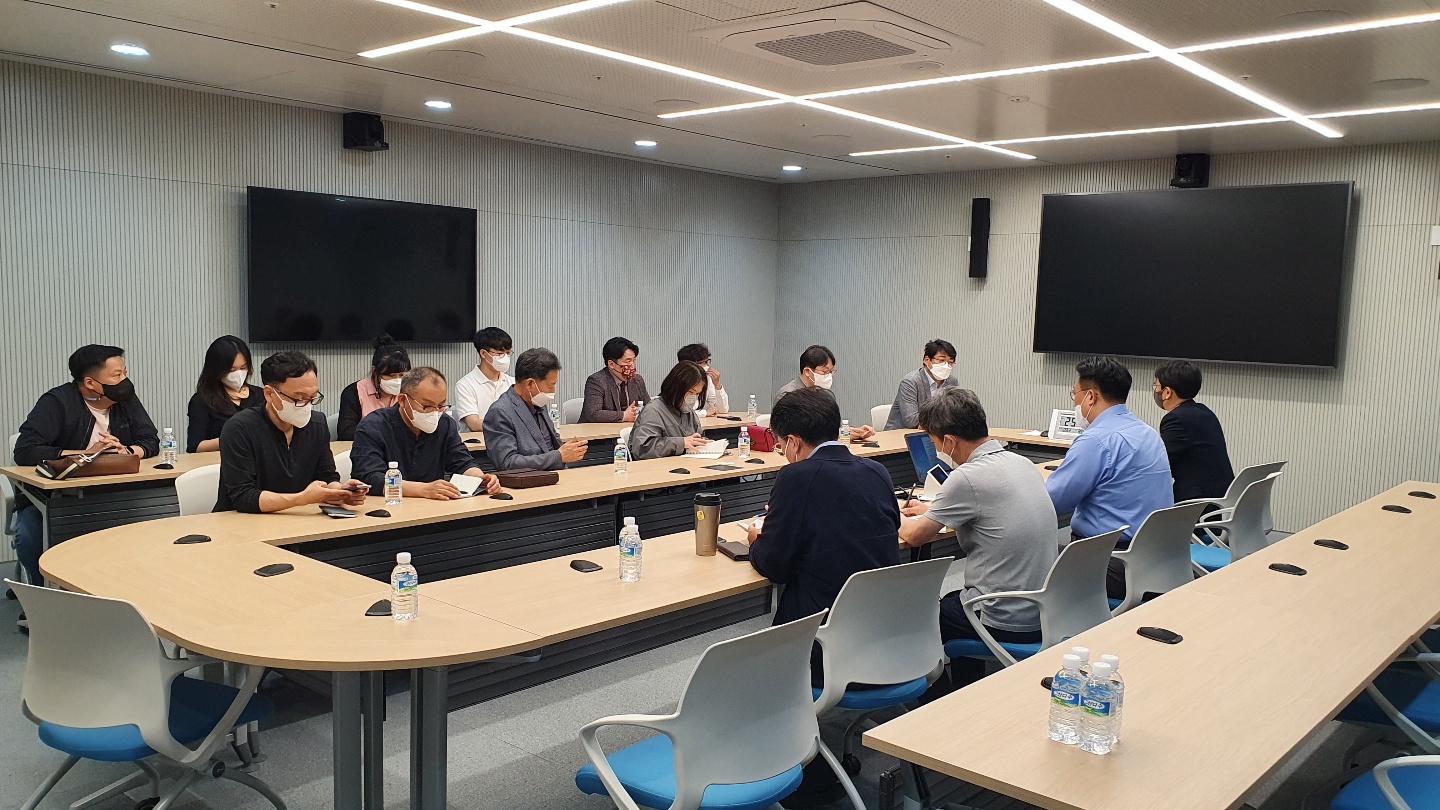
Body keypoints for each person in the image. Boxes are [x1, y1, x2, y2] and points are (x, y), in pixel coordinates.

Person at [746, 387, 899, 809]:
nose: (782, 452)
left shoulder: (797, 478)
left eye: (780, 444)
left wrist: (758, 537)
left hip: (823, 644)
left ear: (793, 442)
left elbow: (775, 565)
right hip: (885, 637)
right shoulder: (876, 471)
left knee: (751, 660)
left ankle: (800, 777)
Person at [898, 389, 1056, 689]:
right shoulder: (1020, 462)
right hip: (1043, 609)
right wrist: (933, 509)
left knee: (919, 617)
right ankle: (968, 686)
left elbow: (914, 536)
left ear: (949, 441)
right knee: (953, 602)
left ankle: (940, 699)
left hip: (1002, 617)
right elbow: (987, 506)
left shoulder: (966, 477)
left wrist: (889, 511)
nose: (936, 450)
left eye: (934, 442)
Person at [13, 345, 159, 586]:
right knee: (29, 534)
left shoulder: (124, 400)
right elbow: (25, 450)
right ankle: (40, 592)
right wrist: (87, 454)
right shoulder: (57, 402)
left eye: (125, 372)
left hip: (116, 492)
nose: (124, 381)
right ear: (90, 383)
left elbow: (150, 440)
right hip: (55, 497)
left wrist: (126, 452)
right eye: (117, 375)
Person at [1045, 356, 1173, 598]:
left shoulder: (1096, 440)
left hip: (1111, 563)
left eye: (1075, 394)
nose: (1075, 402)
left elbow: (1051, 503)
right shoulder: (1148, 433)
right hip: (1157, 559)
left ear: (1091, 397)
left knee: (1021, 557)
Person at [216, 351, 368, 513]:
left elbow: (326, 476)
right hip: (242, 520)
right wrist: (301, 499)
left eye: (312, 397)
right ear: (269, 394)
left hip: (299, 517)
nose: (306, 405)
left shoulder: (317, 424)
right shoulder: (240, 428)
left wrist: (340, 491)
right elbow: (243, 496)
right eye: (299, 398)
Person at [350, 367, 501, 499]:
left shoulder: (445, 423)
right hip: (389, 506)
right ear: (402, 400)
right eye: (427, 406)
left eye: (441, 406)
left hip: (434, 507)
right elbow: (370, 478)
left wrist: (480, 478)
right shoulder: (373, 426)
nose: (434, 413)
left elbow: (462, 462)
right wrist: (424, 489)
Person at [483, 348, 588, 471]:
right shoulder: (500, 412)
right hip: (530, 480)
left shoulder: (537, 402)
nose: (553, 391)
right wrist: (558, 456)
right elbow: (508, 463)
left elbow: (550, 445)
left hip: (557, 474)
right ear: (530, 384)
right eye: (550, 386)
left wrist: (569, 449)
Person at [1153, 360, 1235, 502]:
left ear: (1167, 392)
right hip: (1220, 494)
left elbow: (1160, 464)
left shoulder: (1176, 419)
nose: (1155, 391)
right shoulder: (1205, 412)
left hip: (1197, 501)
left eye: (1156, 386)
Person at [774, 345, 875, 439]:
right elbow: (785, 437)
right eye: (825, 371)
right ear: (807, 372)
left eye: (831, 371)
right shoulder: (787, 395)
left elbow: (832, 427)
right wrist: (836, 435)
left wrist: (852, 432)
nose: (829, 376)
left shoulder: (825, 395)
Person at [186, 335, 264, 453]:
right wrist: (232, 439)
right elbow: (195, 447)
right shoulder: (202, 400)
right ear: (217, 370)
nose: (239, 374)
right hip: (219, 461)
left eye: (243, 368)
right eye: (232, 370)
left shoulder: (260, 395)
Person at [629, 362, 711, 460]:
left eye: (697, 394)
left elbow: (698, 438)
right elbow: (642, 449)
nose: (693, 397)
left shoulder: (689, 412)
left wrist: (706, 444)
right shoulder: (653, 410)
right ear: (676, 387)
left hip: (686, 463)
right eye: (690, 392)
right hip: (660, 467)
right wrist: (680, 443)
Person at [336, 335, 411, 440]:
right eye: (391, 376)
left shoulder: (411, 391)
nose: (397, 380)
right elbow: (346, 433)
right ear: (374, 371)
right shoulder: (353, 392)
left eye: (402, 375)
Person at [883, 338, 959, 431]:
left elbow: (954, 413)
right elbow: (911, 420)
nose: (946, 366)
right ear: (927, 360)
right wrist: (942, 417)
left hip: (933, 432)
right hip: (900, 433)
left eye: (950, 362)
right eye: (941, 360)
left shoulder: (952, 381)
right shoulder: (910, 381)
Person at [454, 327, 514, 432]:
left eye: (508, 353)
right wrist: (510, 425)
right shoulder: (465, 385)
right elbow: (474, 424)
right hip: (479, 441)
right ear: (483, 354)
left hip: (509, 439)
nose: (505, 358)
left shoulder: (513, 383)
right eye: (500, 354)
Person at [580, 336, 650, 423]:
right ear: (611, 364)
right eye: (628, 361)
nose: (632, 365)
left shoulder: (637, 380)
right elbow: (593, 414)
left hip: (628, 429)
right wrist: (624, 415)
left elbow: (649, 408)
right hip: (599, 431)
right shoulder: (596, 381)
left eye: (634, 360)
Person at [676, 343, 728, 415]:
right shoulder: (678, 381)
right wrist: (705, 413)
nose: (706, 366)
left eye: (706, 362)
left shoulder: (707, 379)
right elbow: (680, 412)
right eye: (700, 363)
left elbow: (722, 410)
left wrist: (717, 385)